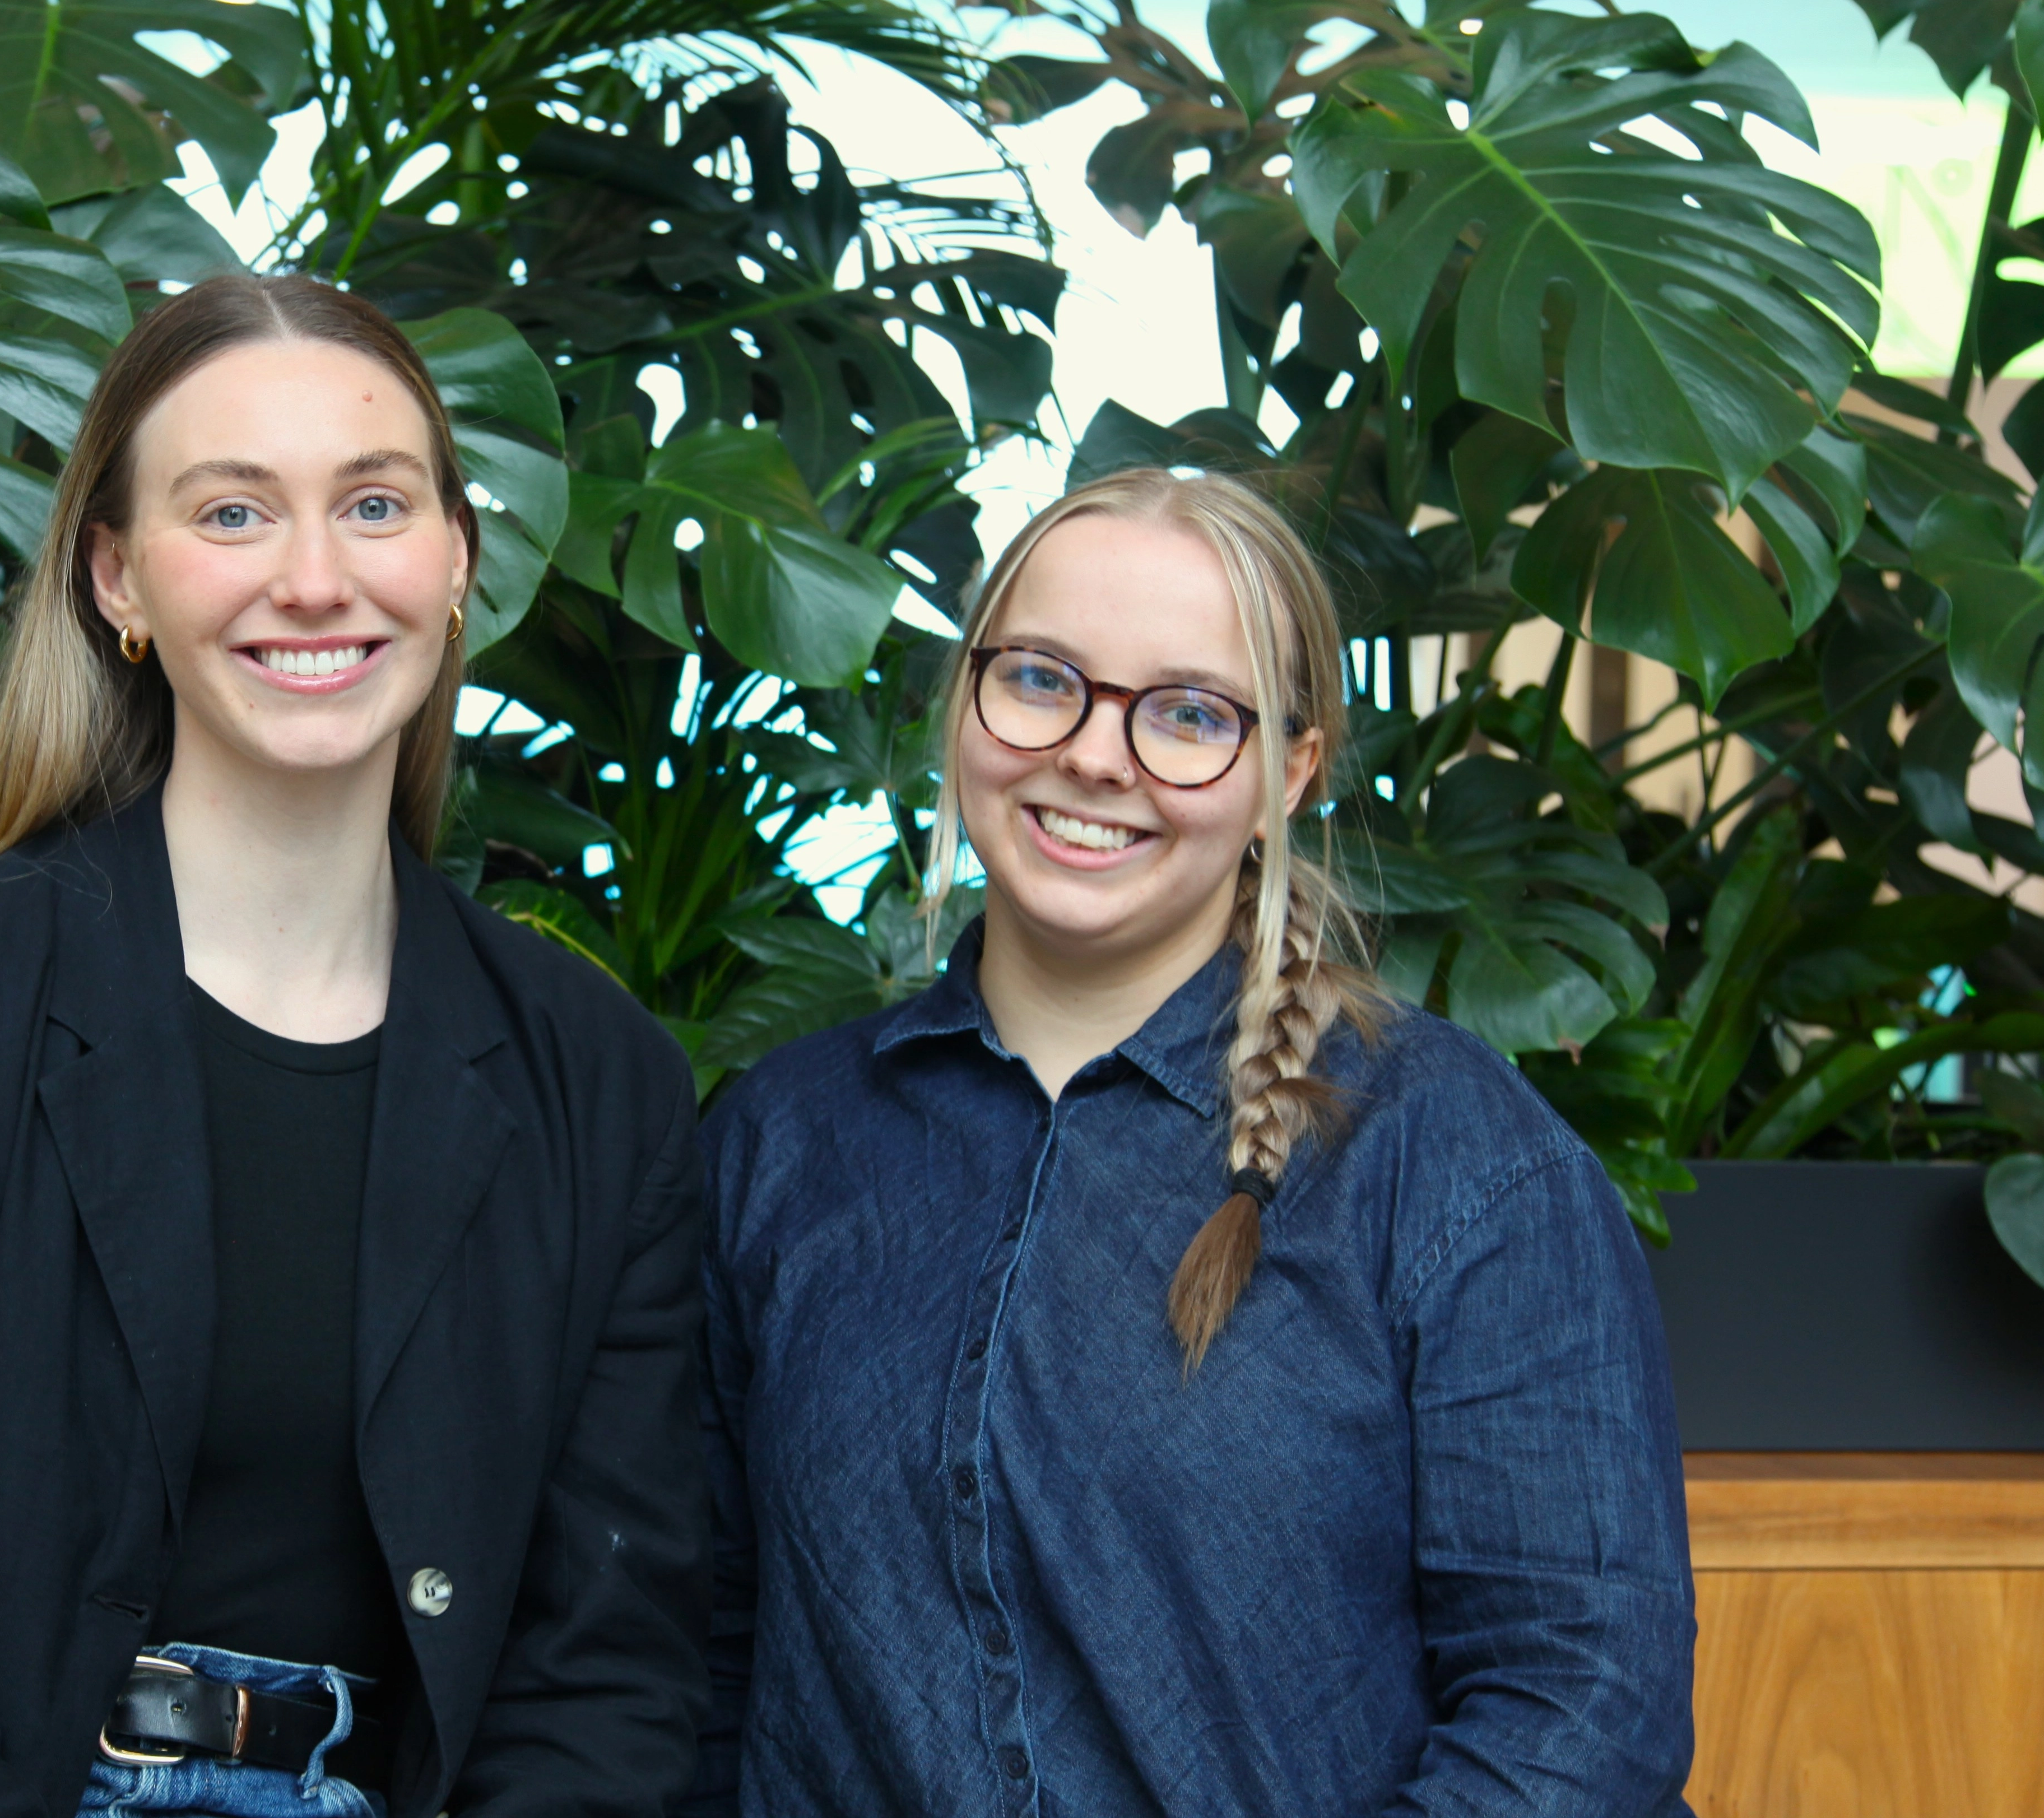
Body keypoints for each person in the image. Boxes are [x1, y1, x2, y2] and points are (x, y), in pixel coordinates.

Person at [0, 275, 710, 1818]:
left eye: (374, 505)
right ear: (118, 580)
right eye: (234, 514)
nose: (315, 578)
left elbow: (615, 1675)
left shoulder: (606, 1085)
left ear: (458, 562)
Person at [689, 468, 1696, 1815]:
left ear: (1290, 770)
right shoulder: (781, 1142)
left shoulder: (1458, 1167)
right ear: (964, 698)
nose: (1095, 754)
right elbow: (694, 1657)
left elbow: (1587, 1710)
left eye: (1187, 714)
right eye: (1045, 677)